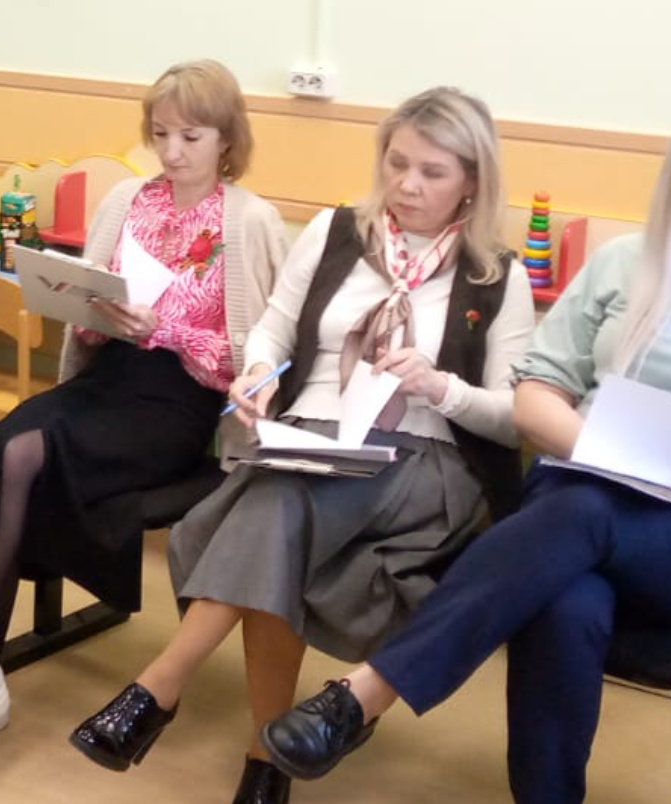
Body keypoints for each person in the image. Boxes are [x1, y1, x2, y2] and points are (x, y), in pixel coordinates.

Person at [261, 84, 671, 804]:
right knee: (567, 596)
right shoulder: (623, 265)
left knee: (578, 516)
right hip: (586, 502)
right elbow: (536, 397)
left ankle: (365, 694)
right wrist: (612, 451)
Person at [69, 86, 534, 804]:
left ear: (472, 181)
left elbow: (514, 419)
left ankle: (159, 690)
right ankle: (267, 762)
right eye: (397, 163)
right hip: (311, 438)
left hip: (422, 457)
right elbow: (274, 329)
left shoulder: (497, 275)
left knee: (276, 505)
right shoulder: (335, 231)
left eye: (432, 172)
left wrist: (441, 387)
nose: (407, 185)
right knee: (281, 513)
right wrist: (256, 376)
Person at [0, 60, 290, 764]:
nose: (171, 151)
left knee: (30, 452)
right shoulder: (126, 201)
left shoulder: (250, 219)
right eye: (160, 133)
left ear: (227, 139)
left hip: (181, 405)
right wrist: (92, 314)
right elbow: (84, 321)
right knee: (4, 445)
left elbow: (254, 360)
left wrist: (164, 330)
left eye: (190, 137)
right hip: (104, 380)